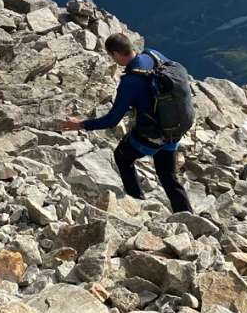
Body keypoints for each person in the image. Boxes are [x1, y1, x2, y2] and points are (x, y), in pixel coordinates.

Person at [57, 33, 193, 214]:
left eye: (111, 56)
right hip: (174, 128)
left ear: (115, 54)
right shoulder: (153, 55)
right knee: (168, 176)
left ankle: (136, 202)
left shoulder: (130, 81)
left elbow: (112, 120)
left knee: (122, 156)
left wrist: (81, 124)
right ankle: (187, 216)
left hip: (152, 135)